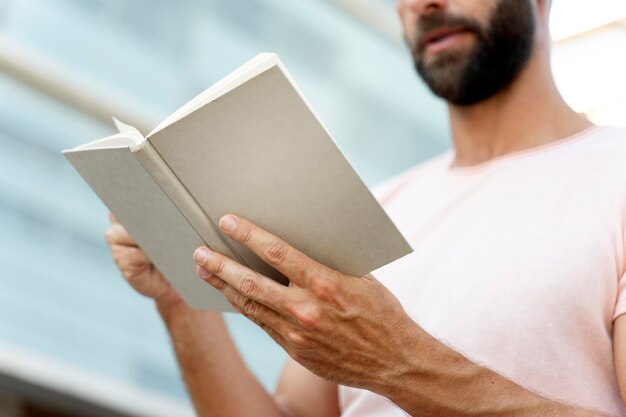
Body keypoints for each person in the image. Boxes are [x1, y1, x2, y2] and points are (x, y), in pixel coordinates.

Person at [105, 0, 626, 415]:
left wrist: (397, 363)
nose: (424, 4)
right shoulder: (374, 208)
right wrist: (178, 299)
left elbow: (391, 363)